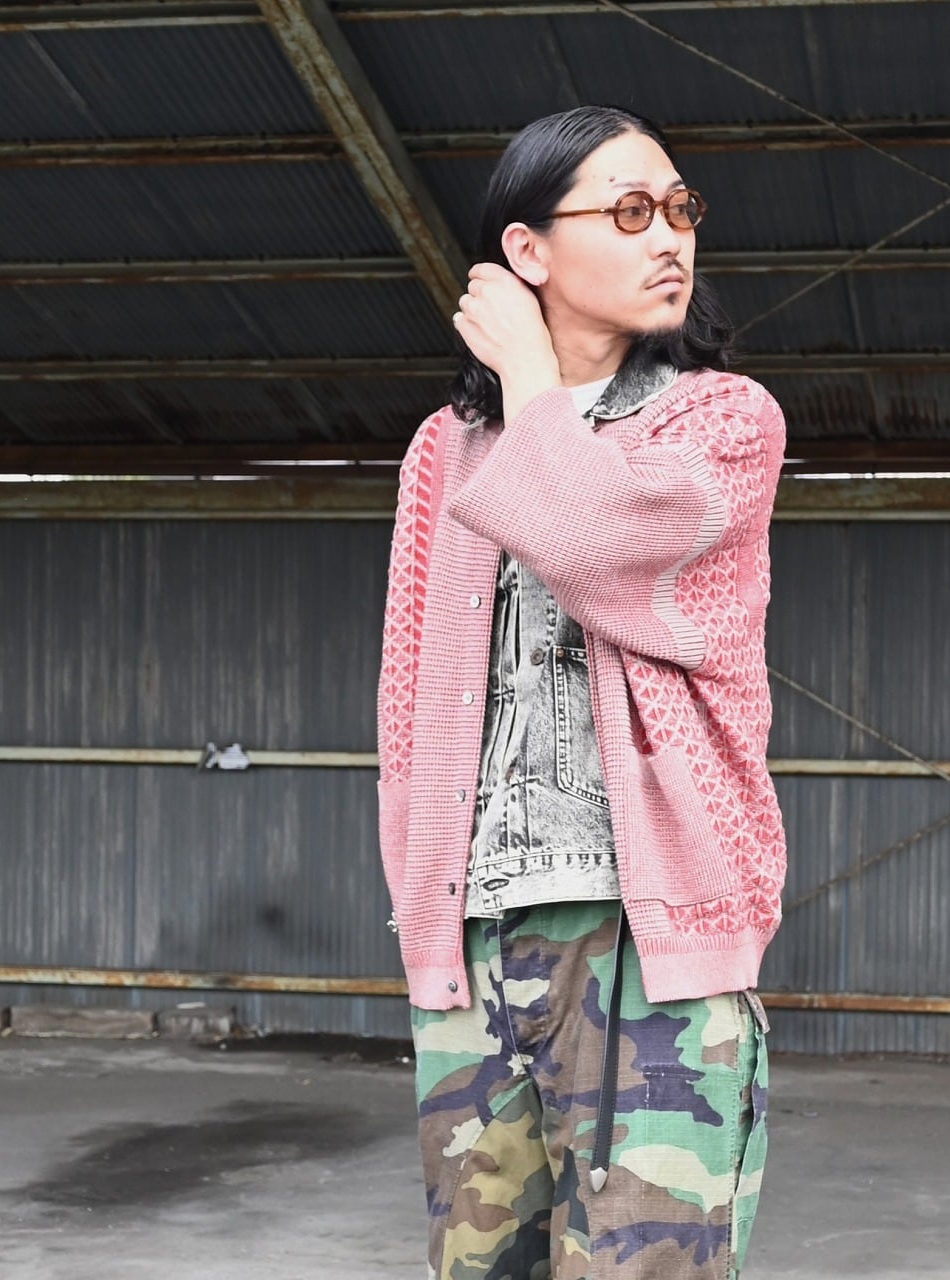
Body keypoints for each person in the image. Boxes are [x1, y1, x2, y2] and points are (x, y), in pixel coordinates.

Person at [376, 104, 787, 1280]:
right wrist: (423, 911)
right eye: (628, 210)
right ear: (527, 250)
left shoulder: (722, 420)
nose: (668, 236)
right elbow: (409, 693)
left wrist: (528, 377)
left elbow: (592, 539)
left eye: (678, 208)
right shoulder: (440, 449)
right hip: (475, 937)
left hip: (646, 942)